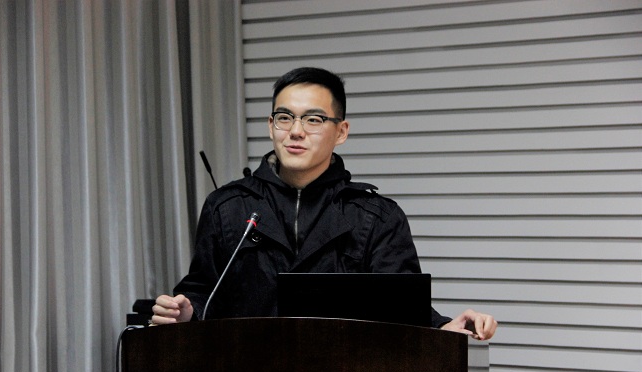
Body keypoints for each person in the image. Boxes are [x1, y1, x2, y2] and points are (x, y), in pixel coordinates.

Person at [151, 66, 497, 341]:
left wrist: (444, 327)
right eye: (284, 117)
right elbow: (203, 290)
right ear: (271, 126)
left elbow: (401, 307)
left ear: (341, 131)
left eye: (313, 120)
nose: (296, 131)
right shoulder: (228, 207)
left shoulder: (376, 216)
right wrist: (186, 311)